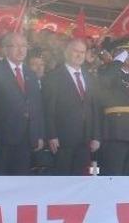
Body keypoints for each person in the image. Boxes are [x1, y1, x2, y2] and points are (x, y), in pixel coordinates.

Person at [0, 32, 44, 175]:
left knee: (19, 179)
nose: (20, 50)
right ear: (5, 49)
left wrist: (38, 134)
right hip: (1, 137)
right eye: (15, 46)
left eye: (24, 46)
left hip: (25, 137)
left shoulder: (30, 73)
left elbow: (36, 106)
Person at [42, 39, 100, 176]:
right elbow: (48, 109)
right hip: (62, 139)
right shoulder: (53, 76)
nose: (79, 55)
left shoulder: (90, 77)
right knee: (62, 177)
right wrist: (52, 135)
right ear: (66, 52)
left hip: (85, 140)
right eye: (76, 51)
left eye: (82, 52)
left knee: (80, 178)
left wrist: (96, 136)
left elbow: (95, 108)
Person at [95, 51, 129, 176]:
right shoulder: (108, 72)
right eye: (126, 54)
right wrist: (116, 62)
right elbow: (105, 81)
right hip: (115, 132)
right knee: (113, 173)